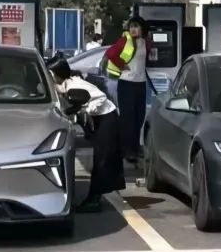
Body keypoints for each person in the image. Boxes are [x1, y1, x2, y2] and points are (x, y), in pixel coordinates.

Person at [47, 55, 124, 213]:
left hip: (106, 119)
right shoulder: (64, 85)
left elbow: (101, 97)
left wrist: (87, 110)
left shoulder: (75, 86)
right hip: (98, 121)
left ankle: (94, 199)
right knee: (102, 159)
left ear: (57, 74)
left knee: (102, 160)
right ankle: (94, 197)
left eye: (50, 73)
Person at [104, 16, 152, 165]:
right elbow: (110, 53)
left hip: (141, 84)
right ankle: (127, 150)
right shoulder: (125, 40)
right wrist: (121, 64)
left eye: (136, 26)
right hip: (127, 84)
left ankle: (135, 147)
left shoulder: (145, 42)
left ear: (142, 28)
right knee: (128, 118)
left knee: (139, 117)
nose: (133, 29)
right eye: (131, 26)